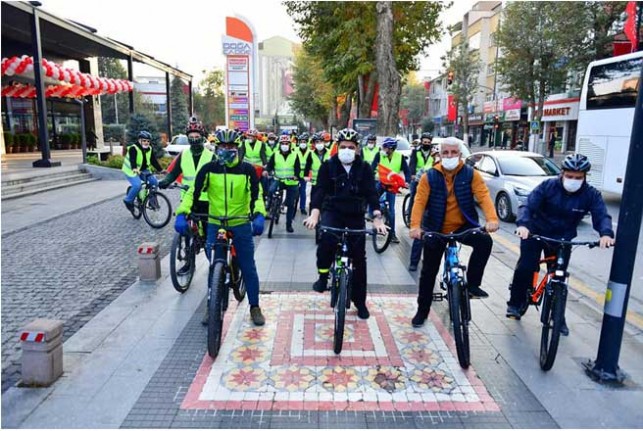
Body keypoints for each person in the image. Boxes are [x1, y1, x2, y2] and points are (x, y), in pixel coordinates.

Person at [506, 154, 615, 335]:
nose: (573, 180)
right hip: (535, 232)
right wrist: (523, 225)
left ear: (585, 177)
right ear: (562, 173)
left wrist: (606, 234)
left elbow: (601, 215)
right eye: (570, 176)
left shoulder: (590, 194)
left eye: (578, 177)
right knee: (526, 266)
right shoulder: (548, 186)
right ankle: (515, 304)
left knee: (560, 277)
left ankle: (558, 318)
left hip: (563, 239)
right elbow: (528, 206)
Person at [176, 129, 267, 326]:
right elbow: (193, 192)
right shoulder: (208, 169)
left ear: (238, 148)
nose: (228, 150)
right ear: (217, 148)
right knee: (214, 266)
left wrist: (259, 215)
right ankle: (212, 305)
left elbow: (256, 195)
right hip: (215, 223)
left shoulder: (247, 170)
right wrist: (182, 213)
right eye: (223, 147)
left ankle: (254, 306)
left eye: (232, 147)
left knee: (248, 267)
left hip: (240, 222)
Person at [409, 137, 499, 327]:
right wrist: (415, 226)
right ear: (440, 155)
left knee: (485, 241)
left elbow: (483, 196)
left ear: (460, 154)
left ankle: (473, 284)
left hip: (463, 225)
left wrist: (492, 219)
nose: (449, 156)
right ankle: (422, 311)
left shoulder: (470, 174)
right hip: (435, 228)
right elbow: (419, 202)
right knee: (428, 273)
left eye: (453, 152)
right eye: (445, 153)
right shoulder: (429, 176)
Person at [303, 128, 387, 319]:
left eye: (351, 147)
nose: (347, 150)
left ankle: (360, 302)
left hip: (355, 214)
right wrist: (315, 214)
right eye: (343, 147)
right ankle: (323, 276)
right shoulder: (328, 166)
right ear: (337, 147)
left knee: (359, 259)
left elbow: (371, 193)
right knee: (326, 242)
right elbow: (320, 191)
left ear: (357, 149)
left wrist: (377, 216)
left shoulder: (364, 168)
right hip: (333, 212)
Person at [159, 118, 214, 269]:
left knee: (209, 234)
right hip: (187, 199)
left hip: (206, 200)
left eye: (197, 137)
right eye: (191, 137)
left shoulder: (211, 156)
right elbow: (173, 173)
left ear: (202, 137)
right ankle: (189, 263)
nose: (194, 140)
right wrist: (165, 181)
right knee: (186, 233)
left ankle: (215, 267)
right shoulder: (184, 155)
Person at [371, 137, 411, 243]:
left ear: (391, 148)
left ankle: (393, 234)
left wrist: (407, 181)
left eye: (385, 147)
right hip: (381, 183)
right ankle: (371, 216)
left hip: (392, 186)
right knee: (372, 199)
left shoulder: (400, 157)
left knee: (392, 211)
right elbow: (372, 168)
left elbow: (407, 171)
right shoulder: (379, 155)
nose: (383, 149)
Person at [407, 132, 435, 271]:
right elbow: (412, 165)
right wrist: (412, 175)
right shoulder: (416, 152)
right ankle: (414, 262)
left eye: (428, 141)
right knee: (414, 198)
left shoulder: (435, 154)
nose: (426, 143)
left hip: (431, 182)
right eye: (424, 141)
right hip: (417, 180)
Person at [264, 134, 301, 233]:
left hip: (291, 182)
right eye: (283, 143)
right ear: (280, 145)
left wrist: (296, 175)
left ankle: (289, 224)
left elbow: (297, 168)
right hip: (278, 179)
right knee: (271, 190)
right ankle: (272, 208)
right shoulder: (275, 154)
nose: (285, 145)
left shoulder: (294, 155)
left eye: (286, 143)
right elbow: (270, 165)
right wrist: (267, 171)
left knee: (290, 204)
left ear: (289, 145)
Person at [122, 130, 163, 212]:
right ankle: (128, 200)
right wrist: (134, 168)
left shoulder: (149, 149)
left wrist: (161, 170)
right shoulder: (134, 148)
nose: (146, 142)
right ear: (139, 140)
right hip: (130, 170)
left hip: (143, 170)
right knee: (137, 185)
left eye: (148, 141)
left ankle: (152, 202)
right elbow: (133, 160)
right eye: (144, 140)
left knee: (154, 182)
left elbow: (153, 160)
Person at [295, 133, 312, 215]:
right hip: (295, 173)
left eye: (304, 141)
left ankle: (302, 207)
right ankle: (290, 204)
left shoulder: (310, 152)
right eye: (301, 141)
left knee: (303, 192)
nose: (303, 143)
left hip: (304, 174)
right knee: (293, 190)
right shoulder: (295, 150)